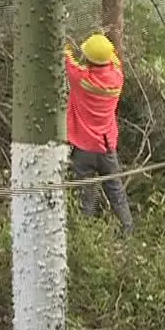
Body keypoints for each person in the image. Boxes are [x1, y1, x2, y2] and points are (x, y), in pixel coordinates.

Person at [65, 33, 134, 234]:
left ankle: (87, 236)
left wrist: (68, 47)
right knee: (116, 192)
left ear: (89, 59)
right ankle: (127, 230)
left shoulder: (80, 79)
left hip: (83, 149)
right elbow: (114, 61)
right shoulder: (117, 78)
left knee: (86, 196)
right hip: (106, 148)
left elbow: (67, 58)